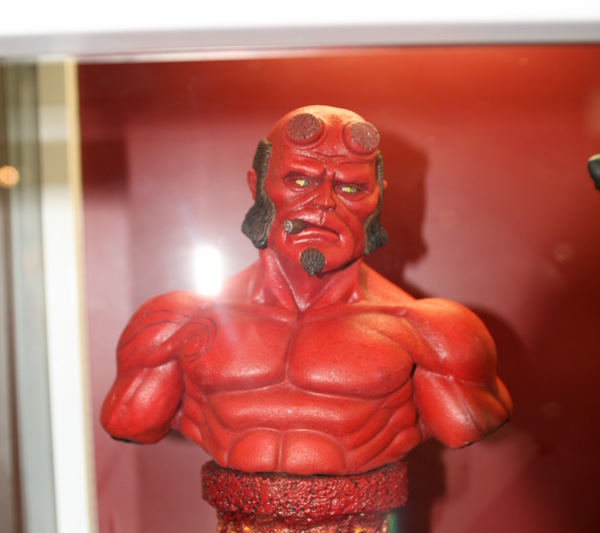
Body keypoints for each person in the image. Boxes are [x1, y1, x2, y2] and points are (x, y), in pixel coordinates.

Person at [101, 105, 512, 477]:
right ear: (257, 186)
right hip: (238, 528)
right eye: (299, 180)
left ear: (377, 199)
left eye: (351, 188)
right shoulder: (177, 321)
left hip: (360, 529)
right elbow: (131, 423)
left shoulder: (431, 332)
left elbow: (465, 428)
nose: (324, 202)